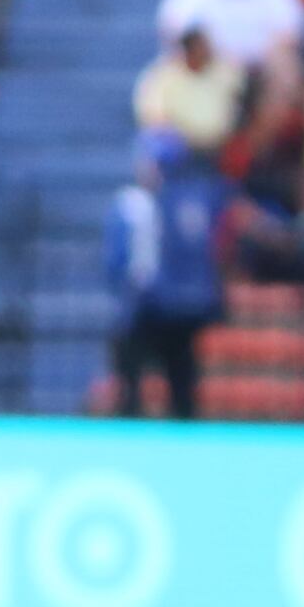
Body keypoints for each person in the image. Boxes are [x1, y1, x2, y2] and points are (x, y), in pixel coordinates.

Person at [108, 128, 227, 419]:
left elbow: (120, 263)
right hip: (169, 308)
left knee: (165, 382)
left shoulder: (146, 203)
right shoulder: (194, 197)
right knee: (168, 383)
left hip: (160, 308)